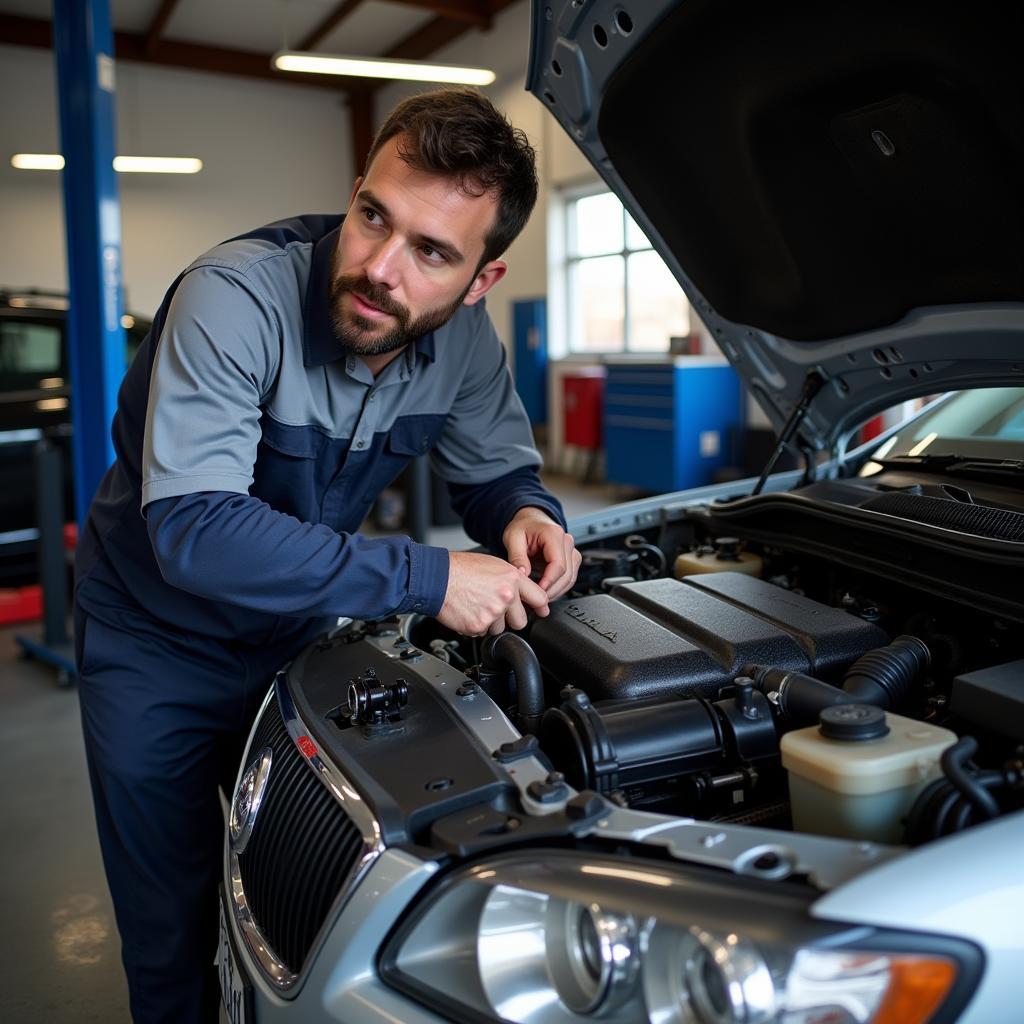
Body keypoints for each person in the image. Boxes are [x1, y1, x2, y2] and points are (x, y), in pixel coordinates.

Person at [73, 87, 581, 1023]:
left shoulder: (465, 344)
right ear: (354, 193)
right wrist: (431, 578)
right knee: (168, 923)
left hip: (299, 636)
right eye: (373, 217)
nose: (380, 267)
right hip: (155, 644)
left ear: (481, 281)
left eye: (431, 252)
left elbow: (496, 471)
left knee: (309, 896)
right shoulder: (231, 300)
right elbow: (195, 532)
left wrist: (525, 514)